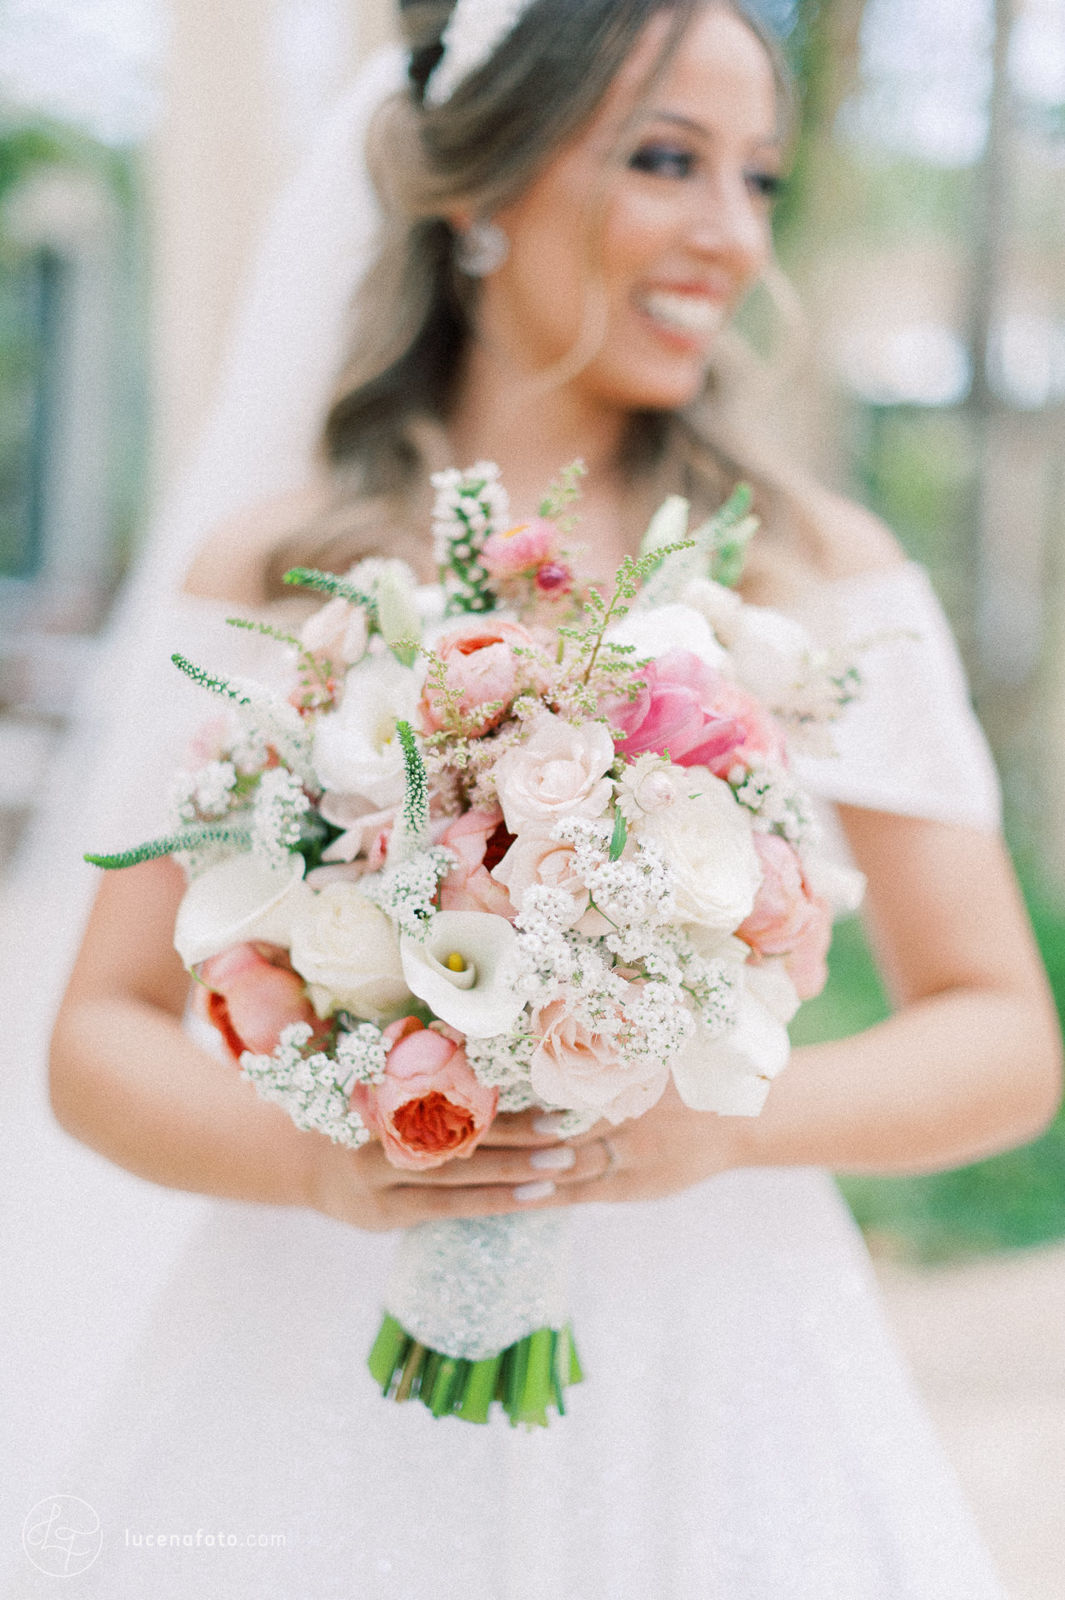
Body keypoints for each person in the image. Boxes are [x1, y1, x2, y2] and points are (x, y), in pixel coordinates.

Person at [29, 1, 1062, 1595]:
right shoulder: (273, 566)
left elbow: (1002, 1036)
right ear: (476, 190)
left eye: (758, 179)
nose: (728, 234)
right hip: (305, 1343)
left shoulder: (807, 565)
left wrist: (717, 1128)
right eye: (667, 159)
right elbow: (95, 1037)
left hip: (706, 1365)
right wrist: (318, 1161)